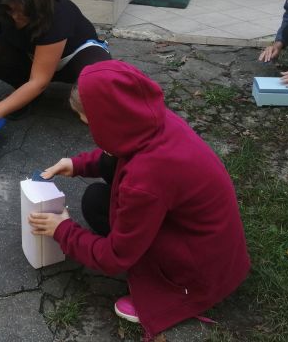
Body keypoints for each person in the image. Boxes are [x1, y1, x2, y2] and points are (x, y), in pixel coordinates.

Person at [28, 61, 250, 339]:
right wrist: (77, 164)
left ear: (109, 123)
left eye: (90, 124)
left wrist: (63, 230)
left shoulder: (145, 179)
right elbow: (116, 153)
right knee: (96, 200)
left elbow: (115, 258)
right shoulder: (154, 120)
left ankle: (170, 291)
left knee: (108, 218)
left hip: (201, 270)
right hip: (216, 245)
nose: (90, 130)